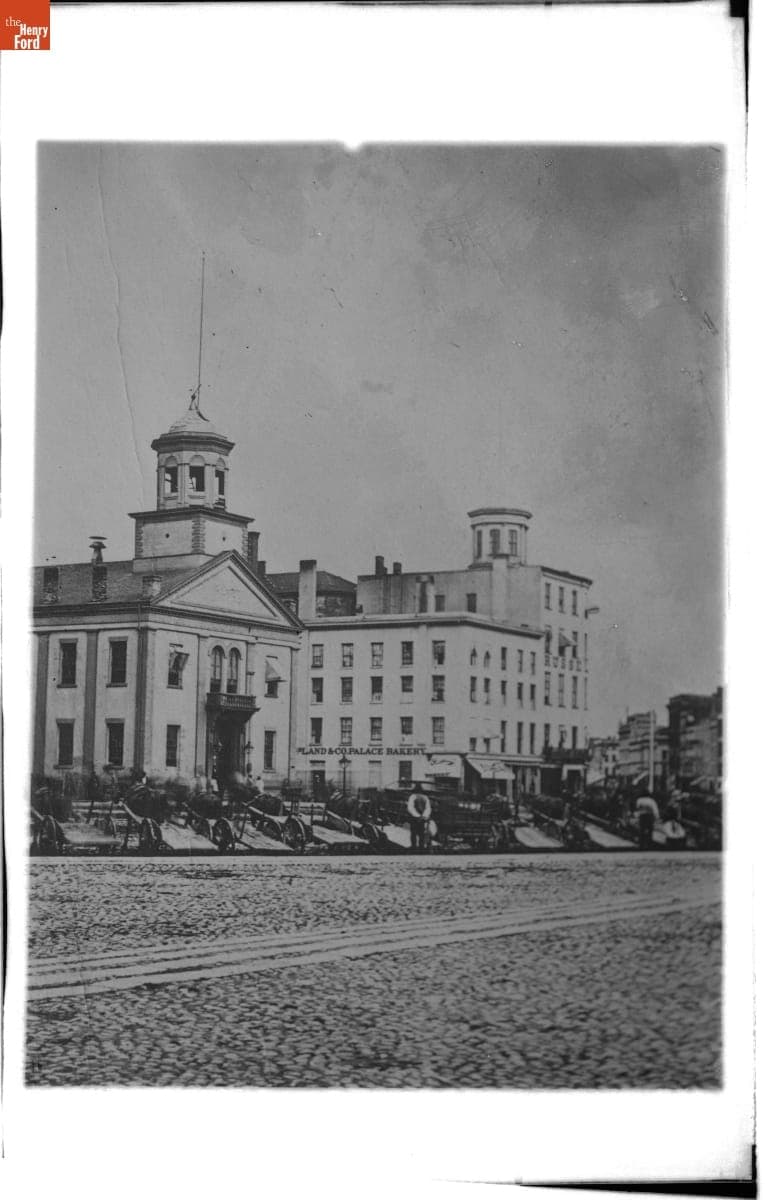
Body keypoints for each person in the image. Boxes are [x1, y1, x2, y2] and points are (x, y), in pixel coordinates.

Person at [406, 782, 432, 852]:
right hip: (422, 819)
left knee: (413, 833)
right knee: (421, 833)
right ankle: (421, 848)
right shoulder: (425, 797)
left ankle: (414, 847)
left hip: (414, 818)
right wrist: (424, 816)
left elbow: (410, 808)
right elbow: (428, 808)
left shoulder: (412, 796)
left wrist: (417, 816)